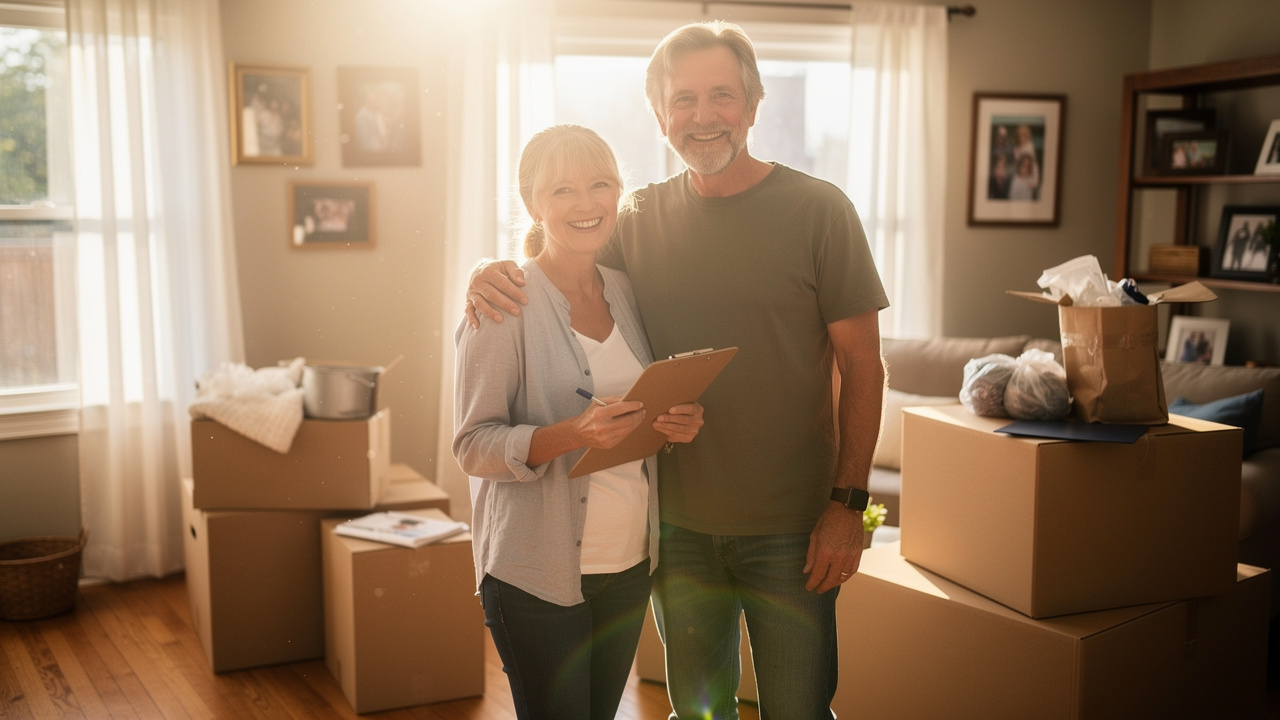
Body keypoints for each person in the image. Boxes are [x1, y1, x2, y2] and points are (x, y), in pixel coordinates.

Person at [466, 21, 888, 719]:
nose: (703, 116)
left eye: (721, 95)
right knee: (696, 712)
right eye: (682, 100)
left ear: (753, 105)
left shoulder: (820, 211)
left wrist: (847, 508)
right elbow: (561, 253)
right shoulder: (635, 219)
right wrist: (488, 270)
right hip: (675, 533)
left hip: (792, 528)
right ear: (660, 116)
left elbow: (865, 366)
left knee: (798, 710)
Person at [453, 124, 706, 720]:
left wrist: (672, 423)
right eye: (563, 190)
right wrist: (573, 433)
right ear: (532, 203)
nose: (587, 204)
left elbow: (633, 412)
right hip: (536, 574)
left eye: (601, 184)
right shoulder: (503, 302)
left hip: (628, 562)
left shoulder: (625, 289)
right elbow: (472, 447)